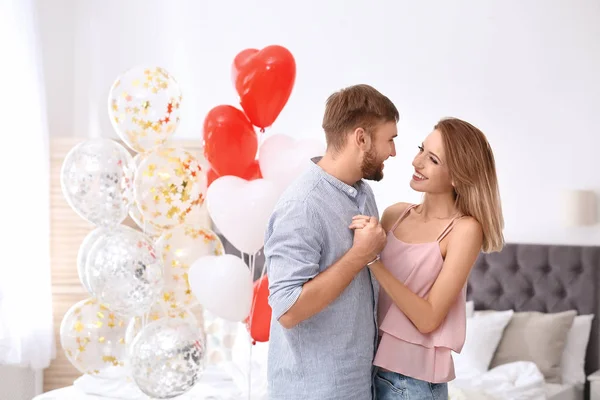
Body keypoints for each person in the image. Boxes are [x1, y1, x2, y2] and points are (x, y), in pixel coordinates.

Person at [350, 117, 504, 400]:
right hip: (369, 369)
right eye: (421, 149)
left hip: (413, 384)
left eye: (432, 159)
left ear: (458, 176)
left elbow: (429, 319)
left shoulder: (465, 230)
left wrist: (372, 261)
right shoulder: (394, 215)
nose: (416, 162)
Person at [263, 84, 399, 400]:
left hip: (360, 383)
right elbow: (288, 310)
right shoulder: (302, 205)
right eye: (390, 139)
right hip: (315, 391)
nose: (393, 151)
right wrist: (359, 255)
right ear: (361, 138)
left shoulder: (363, 193)